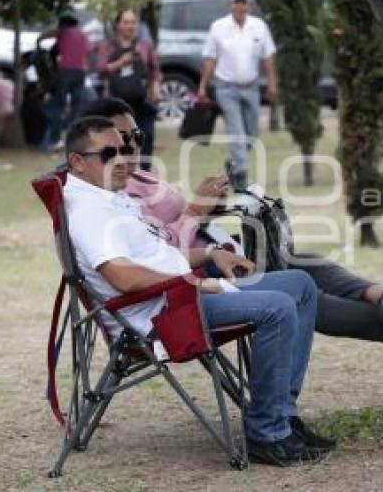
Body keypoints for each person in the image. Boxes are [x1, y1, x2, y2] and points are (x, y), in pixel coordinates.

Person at [62, 116, 333, 465]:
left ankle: (282, 414)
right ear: (77, 162)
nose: (123, 159)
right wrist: (192, 281)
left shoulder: (109, 196)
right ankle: (268, 432)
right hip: (159, 315)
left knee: (300, 285)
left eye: (126, 148)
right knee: (278, 307)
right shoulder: (88, 209)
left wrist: (207, 253)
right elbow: (123, 277)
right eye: (109, 153)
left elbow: (156, 253)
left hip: (179, 295)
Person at [79, 98, 383, 343]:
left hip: (218, 256)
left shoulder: (140, 178)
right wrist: (196, 212)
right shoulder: (110, 199)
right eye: (117, 146)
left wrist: (209, 207)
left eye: (135, 137)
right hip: (196, 282)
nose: (131, 150)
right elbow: (156, 254)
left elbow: (174, 228)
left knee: (306, 263)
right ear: (91, 153)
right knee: (298, 290)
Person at [198, 0, 278, 192]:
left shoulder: (258, 26)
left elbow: (267, 58)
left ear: (249, 6)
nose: (240, 7)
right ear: (230, 5)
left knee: (250, 136)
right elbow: (210, 58)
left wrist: (272, 83)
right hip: (226, 88)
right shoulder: (218, 27)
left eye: (244, 3)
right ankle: (240, 180)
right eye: (236, 3)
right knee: (237, 133)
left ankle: (233, 163)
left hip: (251, 87)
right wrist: (202, 87)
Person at [96, 10, 161, 171]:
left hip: (141, 99)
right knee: (121, 140)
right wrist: (121, 62)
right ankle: (122, 175)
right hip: (117, 102)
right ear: (118, 25)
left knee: (145, 135)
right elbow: (101, 70)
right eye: (126, 22)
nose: (130, 26)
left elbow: (154, 70)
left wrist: (156, 88)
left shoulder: (144, 45)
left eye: (133, 22)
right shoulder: (108, 45)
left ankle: (144, 174)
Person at [37, 13, 91, 150]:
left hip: (65, 72)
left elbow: (53, 51)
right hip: (80, 73)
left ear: (63, 24)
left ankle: (55, 139)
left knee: (58, 106)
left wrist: (40, 39)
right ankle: (75, 140)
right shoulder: (83, 35)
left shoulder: (63, 32)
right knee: (76, 108)